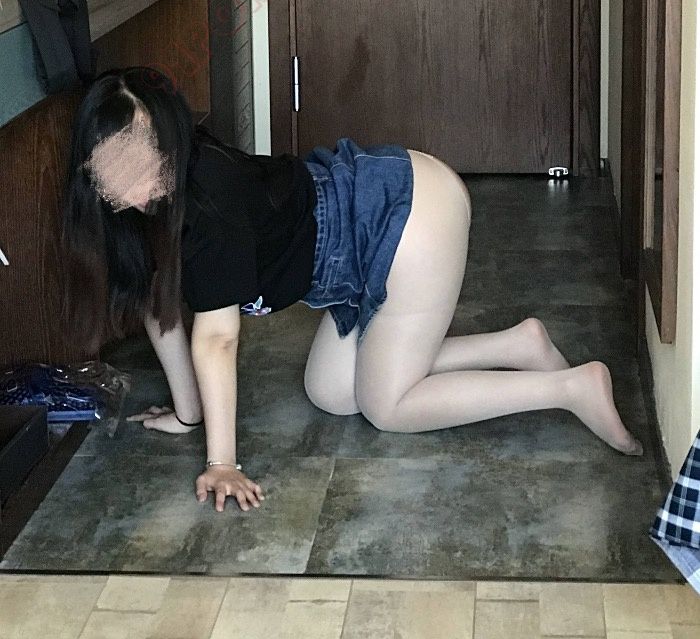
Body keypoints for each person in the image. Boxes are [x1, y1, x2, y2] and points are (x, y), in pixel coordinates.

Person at [61, 66, 643, 513]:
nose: (133, 182)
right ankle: (518, 345)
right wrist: (188, 415)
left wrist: (222, 462)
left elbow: (216, 340)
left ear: (170, 139)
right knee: (333, 392)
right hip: (356, 248)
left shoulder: (207, 203)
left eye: (143, 157)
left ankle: (569, 387)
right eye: (115, 168)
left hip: (405, 217)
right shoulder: (145, 210)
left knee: (389, 406)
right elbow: (160, 308)